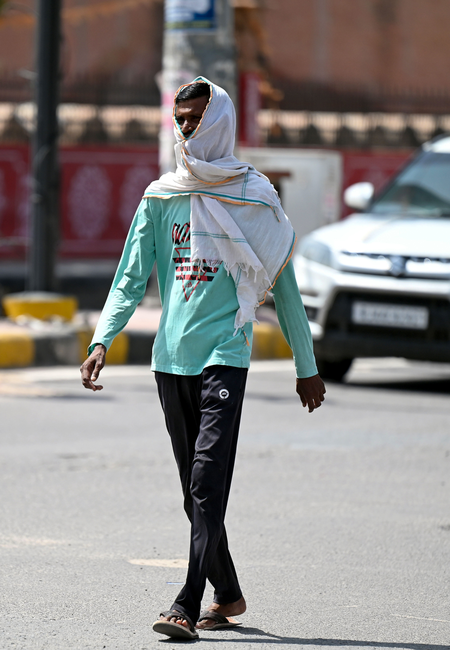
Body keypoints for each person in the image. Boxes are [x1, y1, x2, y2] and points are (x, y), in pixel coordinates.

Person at [80, 76, 326, 641]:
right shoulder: (161, 196)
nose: (187, 127)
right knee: (193, 490)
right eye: (181, 118)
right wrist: (101, 340)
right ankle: (229, 592)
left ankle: (185, 603)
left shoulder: (256, 198)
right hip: (171, 358)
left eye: (196, 117)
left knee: (206, 484)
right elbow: (130, 276)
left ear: (220, 121)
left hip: (226, 352)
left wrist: (306, 365)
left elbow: (283, 286)